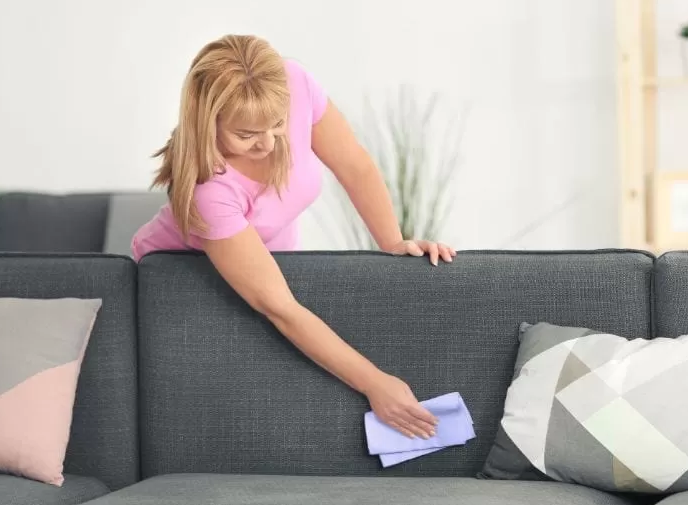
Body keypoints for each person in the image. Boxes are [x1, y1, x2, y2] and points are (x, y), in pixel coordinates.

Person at [131, 34, 455, 441]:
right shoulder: (211, 194)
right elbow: (280, 308)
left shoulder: (293, 81)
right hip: (184, 283)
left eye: (278, 124)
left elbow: (354, 165)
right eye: (247, 133)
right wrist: (376, 384)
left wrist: (393, 242)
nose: (268, 143)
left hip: (273, 267)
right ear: (207, 121)